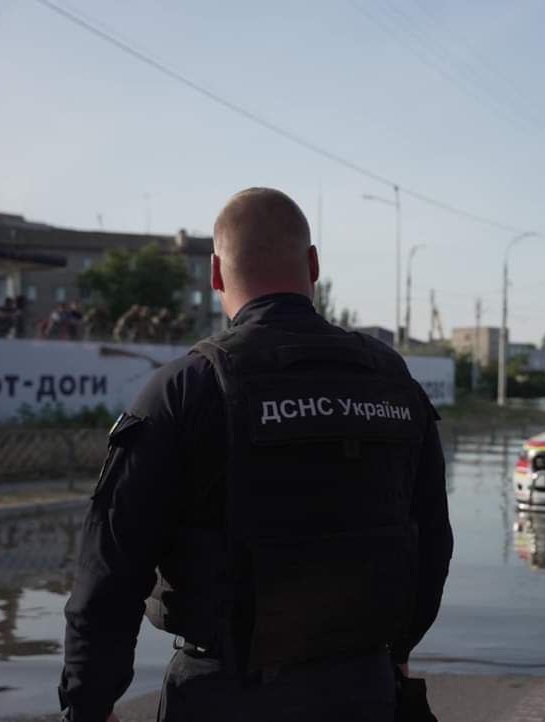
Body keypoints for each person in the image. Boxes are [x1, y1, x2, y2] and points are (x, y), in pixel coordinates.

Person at [59, 187, 453, 722]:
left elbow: (110, 571)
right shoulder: (392, 380)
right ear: (313, 265)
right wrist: (398, 651)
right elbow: (432, 539)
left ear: (216, 275)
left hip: (224, 695)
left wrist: (88, 703)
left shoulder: (185, 389)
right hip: (364, 687)